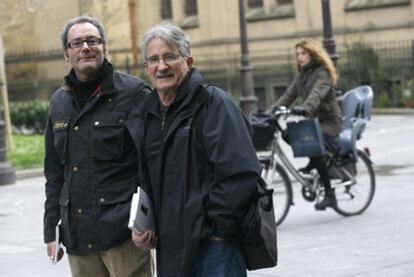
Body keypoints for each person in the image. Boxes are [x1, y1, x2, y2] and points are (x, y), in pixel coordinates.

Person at [131, 23, 262, 277]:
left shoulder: (214, 104)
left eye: (171, 56)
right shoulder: (147, 113)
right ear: (146, 67)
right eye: (154, 59)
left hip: (213, 249)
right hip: (169, 248)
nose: (162, 66)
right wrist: (145, 224)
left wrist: (216, 230)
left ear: (188, 61)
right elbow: (145, 176)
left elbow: (242, 172)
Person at [43, 15, 153, 277]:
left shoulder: (134, 93)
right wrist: (51, 229)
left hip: (122, 234)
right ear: (66, 54)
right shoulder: (59, 102)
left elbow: (151, 162)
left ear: (105, 47)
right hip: (78, 235)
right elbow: (54, 171)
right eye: (77, 43)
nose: (85, 47)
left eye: (92, 40)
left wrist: (147, 221)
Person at [273, 38, 343, 210]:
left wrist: (305, 109)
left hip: (329, 122)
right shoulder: (302, 76)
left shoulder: (323, 73)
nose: (300, 57)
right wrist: (268, 113)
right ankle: (315, 160)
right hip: (315, 123)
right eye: (298, 54)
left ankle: (329, 194)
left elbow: (317, 95)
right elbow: (287, 97)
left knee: (314, 145)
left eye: (303, 53)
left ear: (313, 54)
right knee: (288, 133)